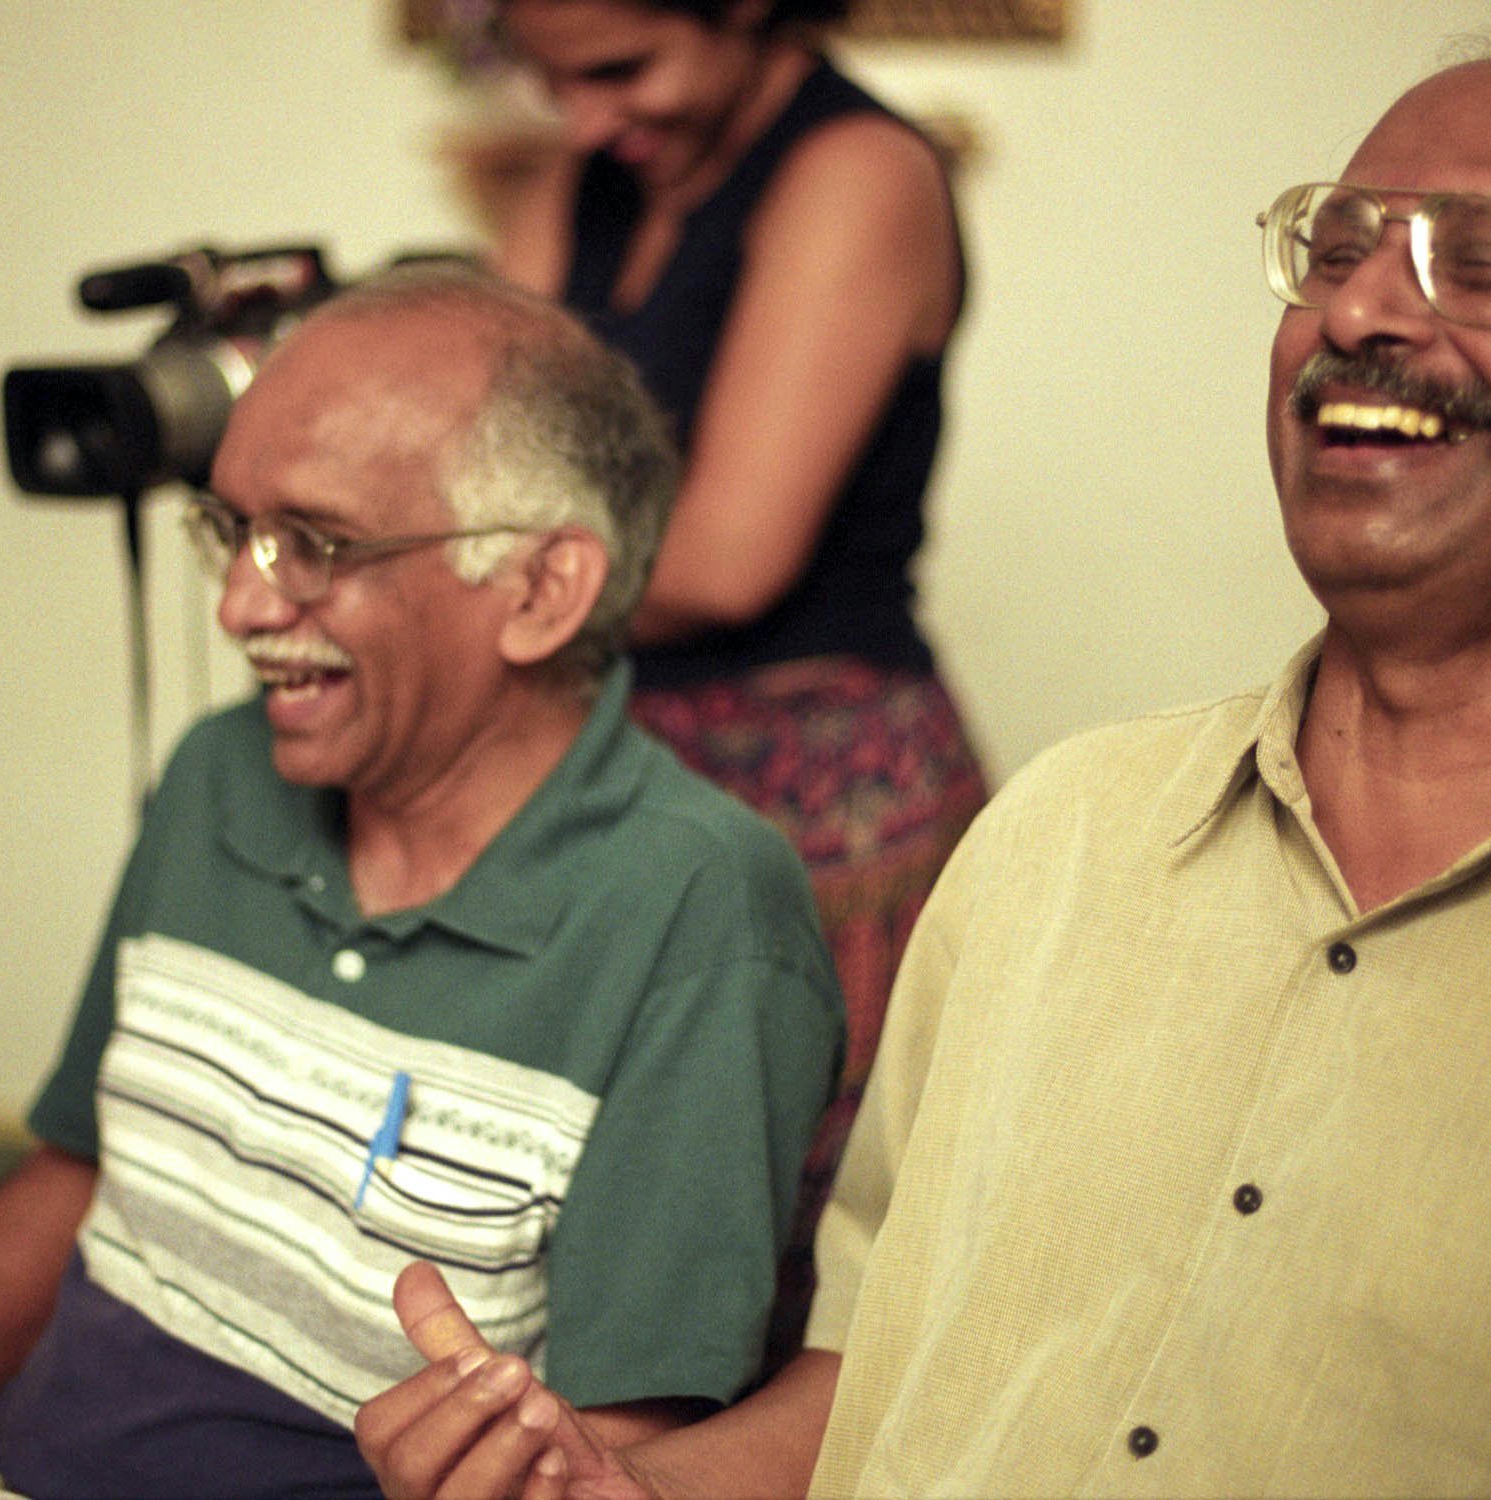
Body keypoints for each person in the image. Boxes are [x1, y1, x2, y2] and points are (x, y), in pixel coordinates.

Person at [350, 34, 1491, 1499]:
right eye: (1334, 247)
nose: (1358, 305)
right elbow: (866, 1379)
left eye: (1486, 258)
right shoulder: (1056, 835)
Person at [0, 265, 844, 1499]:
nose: (239, 604)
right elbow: (81, 1169)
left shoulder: (700, 910)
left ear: (537, 589)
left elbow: (603, 1457)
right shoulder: (221, 774)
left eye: (312, 543)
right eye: (228, 529)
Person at [484, 0, 990, 1361]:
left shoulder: (856, 171)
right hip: (603, 762)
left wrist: (456, 582)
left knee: (757, 1280)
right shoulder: (583, 174)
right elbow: (470, 449)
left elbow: (722, 554)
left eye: (619, 70)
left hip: (817, 801)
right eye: (549, 83)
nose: (585, 118)